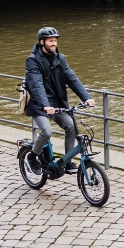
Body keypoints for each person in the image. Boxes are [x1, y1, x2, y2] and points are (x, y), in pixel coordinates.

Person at [24, 26, 93, 174]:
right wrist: (45, 105)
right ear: (42, 42)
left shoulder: (60, 58)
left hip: (57, 104)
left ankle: (67, 162)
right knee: (47, 131)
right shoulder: (32, 61)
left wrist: (86, 98)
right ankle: (32, 156)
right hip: (39, 104)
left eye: (55, 40)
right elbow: (36, 85)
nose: (54, 44)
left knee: (71, 127)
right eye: (50, 41)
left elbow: (72, 79)